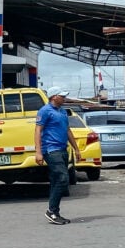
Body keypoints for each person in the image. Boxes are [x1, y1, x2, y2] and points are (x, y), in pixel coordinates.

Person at [35, 86, 80, 225]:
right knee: (63, 178)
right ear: (54, 97)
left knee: (56, 181)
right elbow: (37, 131)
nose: (64, 98)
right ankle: (51, 211)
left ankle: (54, 212)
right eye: (62, 96)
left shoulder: (62, 112)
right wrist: (38, 152)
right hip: (50, 150)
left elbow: (67, 130)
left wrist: (76, 149)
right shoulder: (45, 111)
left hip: (62, 150)